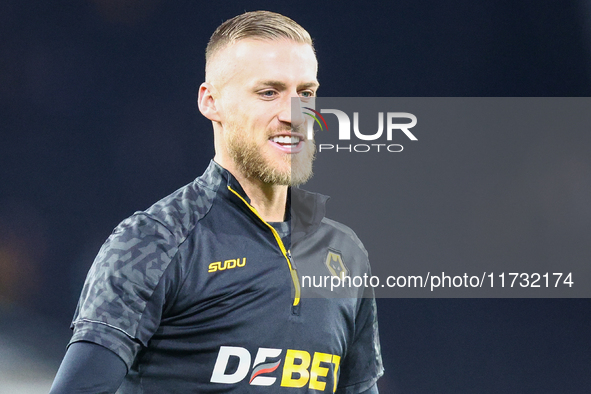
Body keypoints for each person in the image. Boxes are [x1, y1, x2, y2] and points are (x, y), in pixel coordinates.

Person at [49, 11, 383, 393]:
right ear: (211, 102)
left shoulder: (344, 252)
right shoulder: (153, 242)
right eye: (269, 92)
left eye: (305, 92)